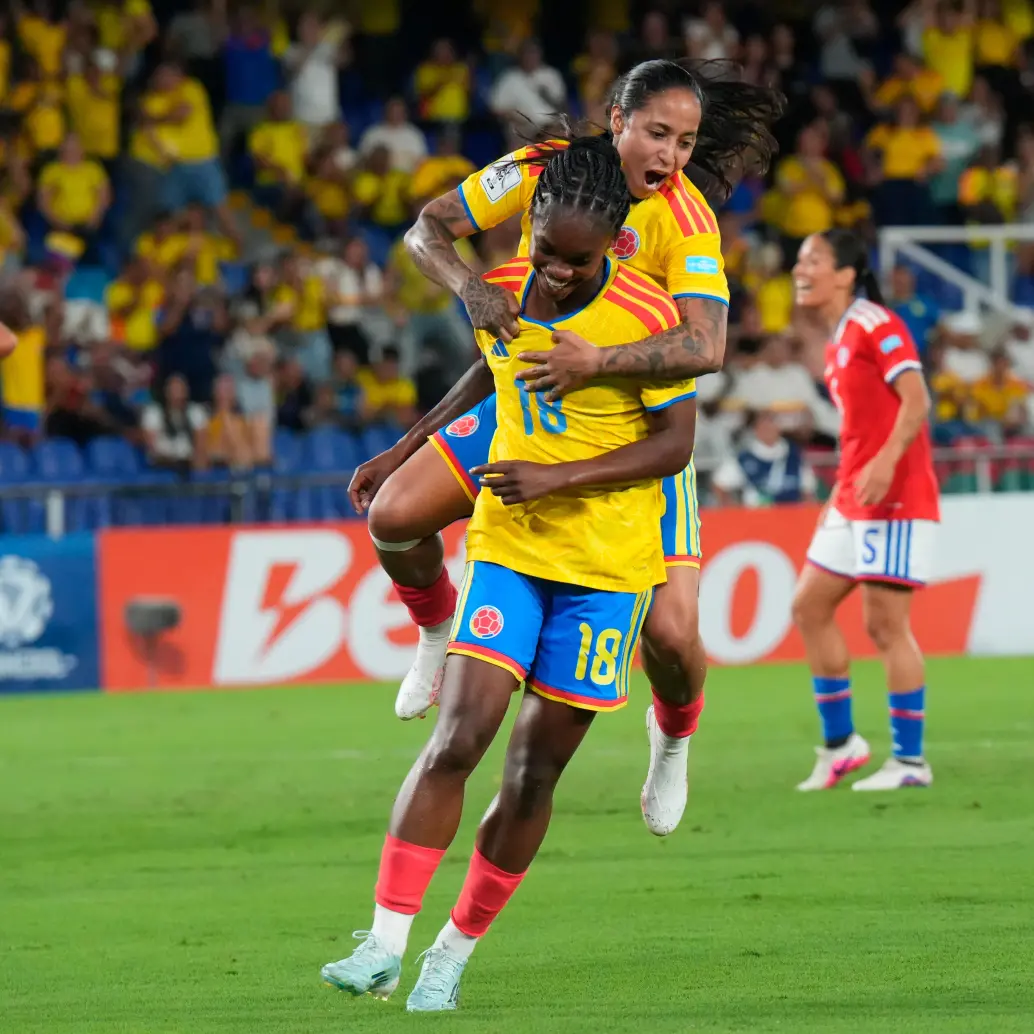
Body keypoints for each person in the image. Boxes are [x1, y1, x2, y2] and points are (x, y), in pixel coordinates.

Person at [348, 59, 784, 838]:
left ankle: (674, 737)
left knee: (675, 638)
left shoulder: (684, 220)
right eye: (659, 134)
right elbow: (428, 227)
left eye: (685, 141)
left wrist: (600, 362)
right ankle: (437, 628)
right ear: (617, 119)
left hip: (629, 427)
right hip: (527, 398)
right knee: (393, 516)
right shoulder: (542, 172)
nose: (673, 157)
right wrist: (471, 288)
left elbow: (706, 344)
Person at [321, 136, 697, 1010]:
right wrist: (405, 445)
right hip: (513, 548)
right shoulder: (508, 285)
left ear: (611, 242)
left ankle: (452, 954)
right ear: (530, 222)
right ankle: (382, 944)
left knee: (532, 772)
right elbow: (493, 369)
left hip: (606, 569)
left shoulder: (650, 320)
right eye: (548, 253)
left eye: (577, 261)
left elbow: (678, 445)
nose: (557, 275)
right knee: (457, 739)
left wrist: (557, 477)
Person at [790, 229, 938, 792]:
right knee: (808, 607)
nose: (800, 268)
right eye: (800, 260)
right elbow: (861, 427)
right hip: (852, 498)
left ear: (846, 273)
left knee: (885, 625)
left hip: (895, 496)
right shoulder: (838, 340)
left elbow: (917, 400)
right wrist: (844, 487)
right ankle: (841, 745)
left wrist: (884, 463)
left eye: (814, 260)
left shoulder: (875, 322)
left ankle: (909, 762)